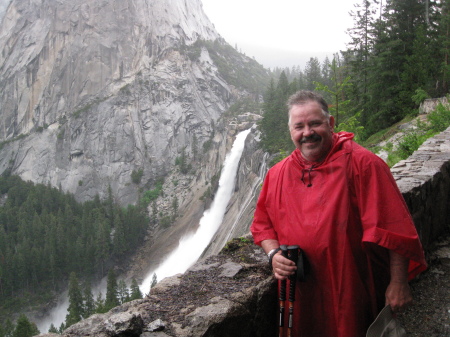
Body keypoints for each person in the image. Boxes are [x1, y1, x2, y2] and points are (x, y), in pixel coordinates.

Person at [250, 90, 427, 337]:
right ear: (290, 131)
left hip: (352, 289)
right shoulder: (278, 174)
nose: (307, 133)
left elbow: (395, 229)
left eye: (315, 123)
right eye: (299, 126)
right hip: (301, 293)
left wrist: (398, 283)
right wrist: (273, 253)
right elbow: (262, 224)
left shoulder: (364, 164)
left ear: (330, 123)